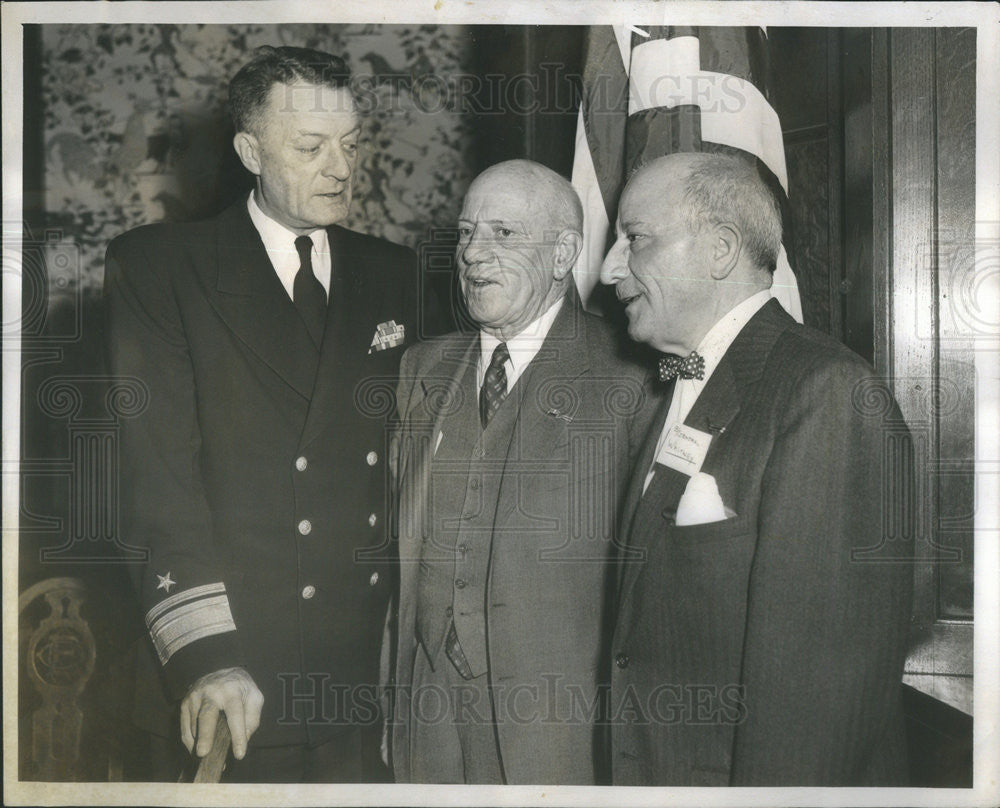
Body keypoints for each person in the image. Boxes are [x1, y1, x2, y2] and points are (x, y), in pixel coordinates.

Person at [104, 46, 436, 782]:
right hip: (228, 685)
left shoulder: (397, 276)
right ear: (251, 151)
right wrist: (206, 658)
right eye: (311, 147)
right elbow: (156, 483)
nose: (341, 168)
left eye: (352, 145)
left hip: (358, 693)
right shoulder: (160, 268)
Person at [599, 152, 914, 786]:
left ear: (719, 250)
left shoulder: (828, 394)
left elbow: (814, 711)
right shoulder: (675, 388)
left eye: (634, 239)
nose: (608, 270)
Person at [386, 159, 650, 784]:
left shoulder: (631, 378)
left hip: (557, 730)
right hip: (426, 714)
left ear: (563, 254)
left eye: (503, 234)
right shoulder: (421, 370)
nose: (474, 254)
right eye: (467, 233)